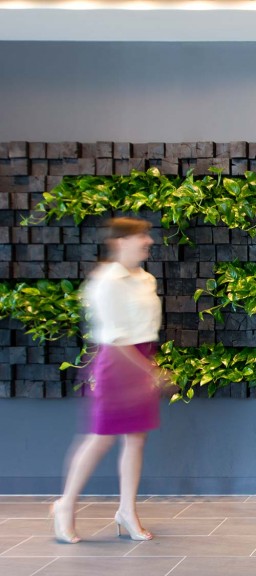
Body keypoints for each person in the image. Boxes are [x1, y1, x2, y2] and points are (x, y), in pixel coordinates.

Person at [52, 216, 164, 544]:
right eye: (140, 235)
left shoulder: (145, 279)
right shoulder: (106, 281)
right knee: (101, 437)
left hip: (142, 358)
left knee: (136, 438)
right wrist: (150, 371)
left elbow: (145, 330)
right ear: (120, 242)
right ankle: (65, 505)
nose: (148, 241)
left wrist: (149, 366)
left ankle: (126, 512)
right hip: (117, 364)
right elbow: (115, 338)